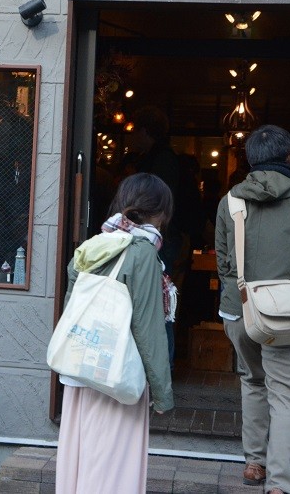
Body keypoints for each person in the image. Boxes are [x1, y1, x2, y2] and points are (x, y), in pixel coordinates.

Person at [214, 125, 290, 494]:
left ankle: (254, 463)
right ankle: (279, 483)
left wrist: (238, 296)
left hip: (240, 309)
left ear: (250, 160)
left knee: (252, 380)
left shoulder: (230, 201)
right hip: (287, 314)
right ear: (289, 157)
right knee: (285, 392)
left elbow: (223, 262)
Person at [56, 173, 175, 494]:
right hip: (119, 375)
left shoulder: (96, 243)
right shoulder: (144, 252)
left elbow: (72, 307)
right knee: (113, 467)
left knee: (82, 459)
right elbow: (148, 327)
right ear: (160, 213)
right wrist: (162, 392)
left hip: (82, 370)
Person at [128, 105, 183, 367]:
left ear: (145, 131)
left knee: (159, 306)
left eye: (134, 130)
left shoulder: (160, 162)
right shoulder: (163, 159)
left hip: (159, 240)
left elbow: (158, 205)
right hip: (161, 239)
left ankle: (162, 368)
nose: (131, 136)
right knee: (160, 305)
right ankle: (159, 368)